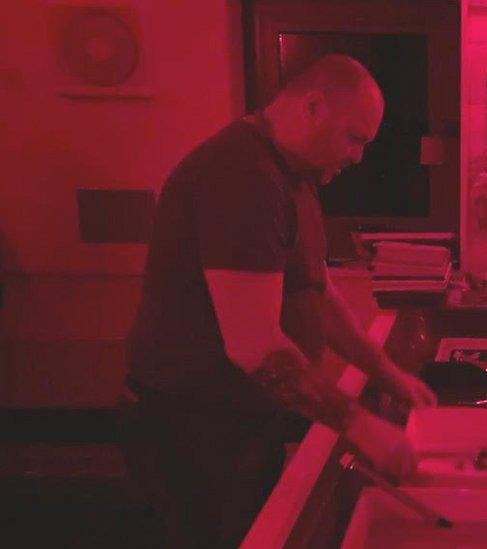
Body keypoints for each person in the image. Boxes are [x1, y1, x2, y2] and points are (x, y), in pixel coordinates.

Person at [118, 54, 436, 548]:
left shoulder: (295, 178)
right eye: (355, 138)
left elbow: (317, 292)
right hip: (192, 431)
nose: (358, 157)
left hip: (232, 422)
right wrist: (362, 427)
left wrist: (386, 372)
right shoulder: (244, 177)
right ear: (312, 106)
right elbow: (255, 347)